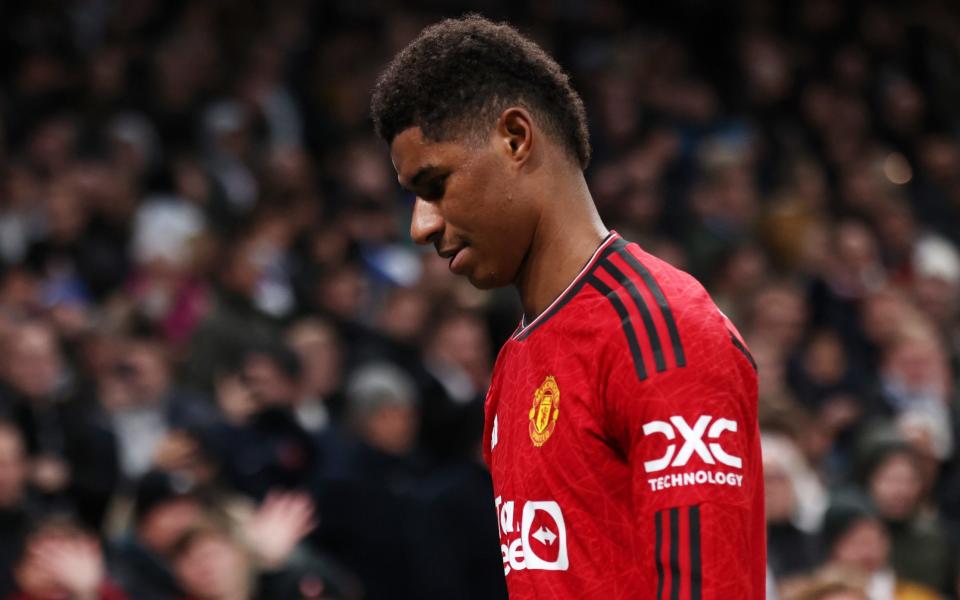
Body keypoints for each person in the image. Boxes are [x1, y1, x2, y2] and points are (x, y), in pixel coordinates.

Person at [371, 15, 765, 599]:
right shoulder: (511, 366)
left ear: (515, 138)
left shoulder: (663, 333)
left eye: (435, 186)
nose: (421, 226)